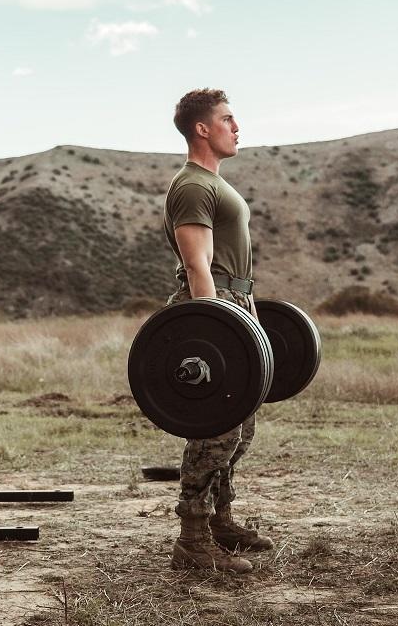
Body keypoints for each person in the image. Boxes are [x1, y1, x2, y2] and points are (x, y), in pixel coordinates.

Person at [162, 88, 273, 574]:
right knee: (216, 430)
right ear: (202, 129)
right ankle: (192, 537)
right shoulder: (192, 185)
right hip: (215, 305)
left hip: (236, 303)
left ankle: (220, 521)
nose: (236, 126)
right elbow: (196, 263)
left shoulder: (213, 183)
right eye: (228, 118)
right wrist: (215, 323)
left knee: (240, 428)